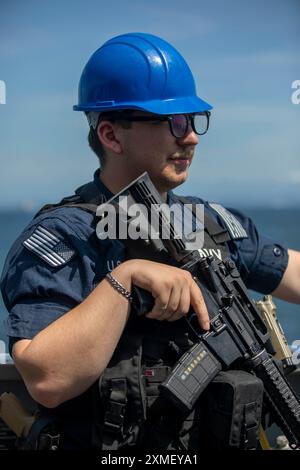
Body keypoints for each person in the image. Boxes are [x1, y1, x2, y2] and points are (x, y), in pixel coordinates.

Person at [1, 32, 300, 450]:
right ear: (111, 135)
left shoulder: (208, 222)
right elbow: (48, 378)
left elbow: (293, 273)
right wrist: (127, 278)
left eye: (194, 120)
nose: (191, 137)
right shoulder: (64, 236)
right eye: (174, 122)